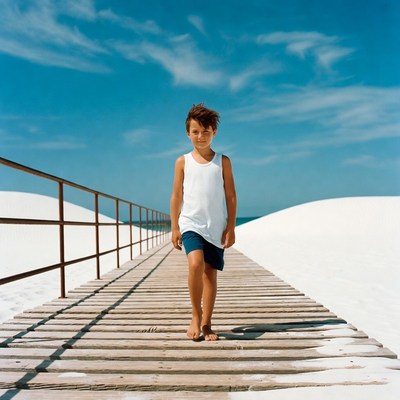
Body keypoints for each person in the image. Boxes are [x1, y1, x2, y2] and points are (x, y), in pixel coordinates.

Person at [170, 103, 237, 341]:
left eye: (206, 131)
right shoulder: (182, 162)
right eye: (196, 131)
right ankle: (195, 316)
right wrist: (175, 226)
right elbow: (177, 195)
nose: (201, 136)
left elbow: (230, 195)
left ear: (214, 133)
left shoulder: (223, 161)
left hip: (216, 226)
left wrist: (231, 227)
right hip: (191, 223)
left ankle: (207, 323)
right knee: (195, 264)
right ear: (188, 133)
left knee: (210, 273)